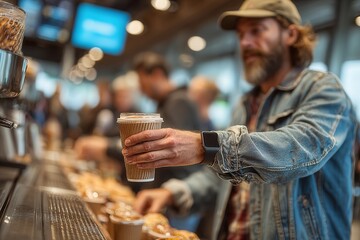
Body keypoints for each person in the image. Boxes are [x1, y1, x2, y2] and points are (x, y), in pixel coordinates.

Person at [122, 0, 358, 239]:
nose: (245, 43)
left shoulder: (323, 89)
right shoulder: (245, 104)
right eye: (241, 34)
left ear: (290, 34)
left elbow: (302, 146)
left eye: (256, 31)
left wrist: (206, 146)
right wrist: (175, 192)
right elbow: (223, 180)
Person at [131, 51, 206, 230]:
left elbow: (171, 152)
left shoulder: (178, 102)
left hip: (177, 200)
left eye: (142, 83)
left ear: (157, 74)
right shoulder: (169, 102)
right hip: (168, 196)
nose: (141, 90)